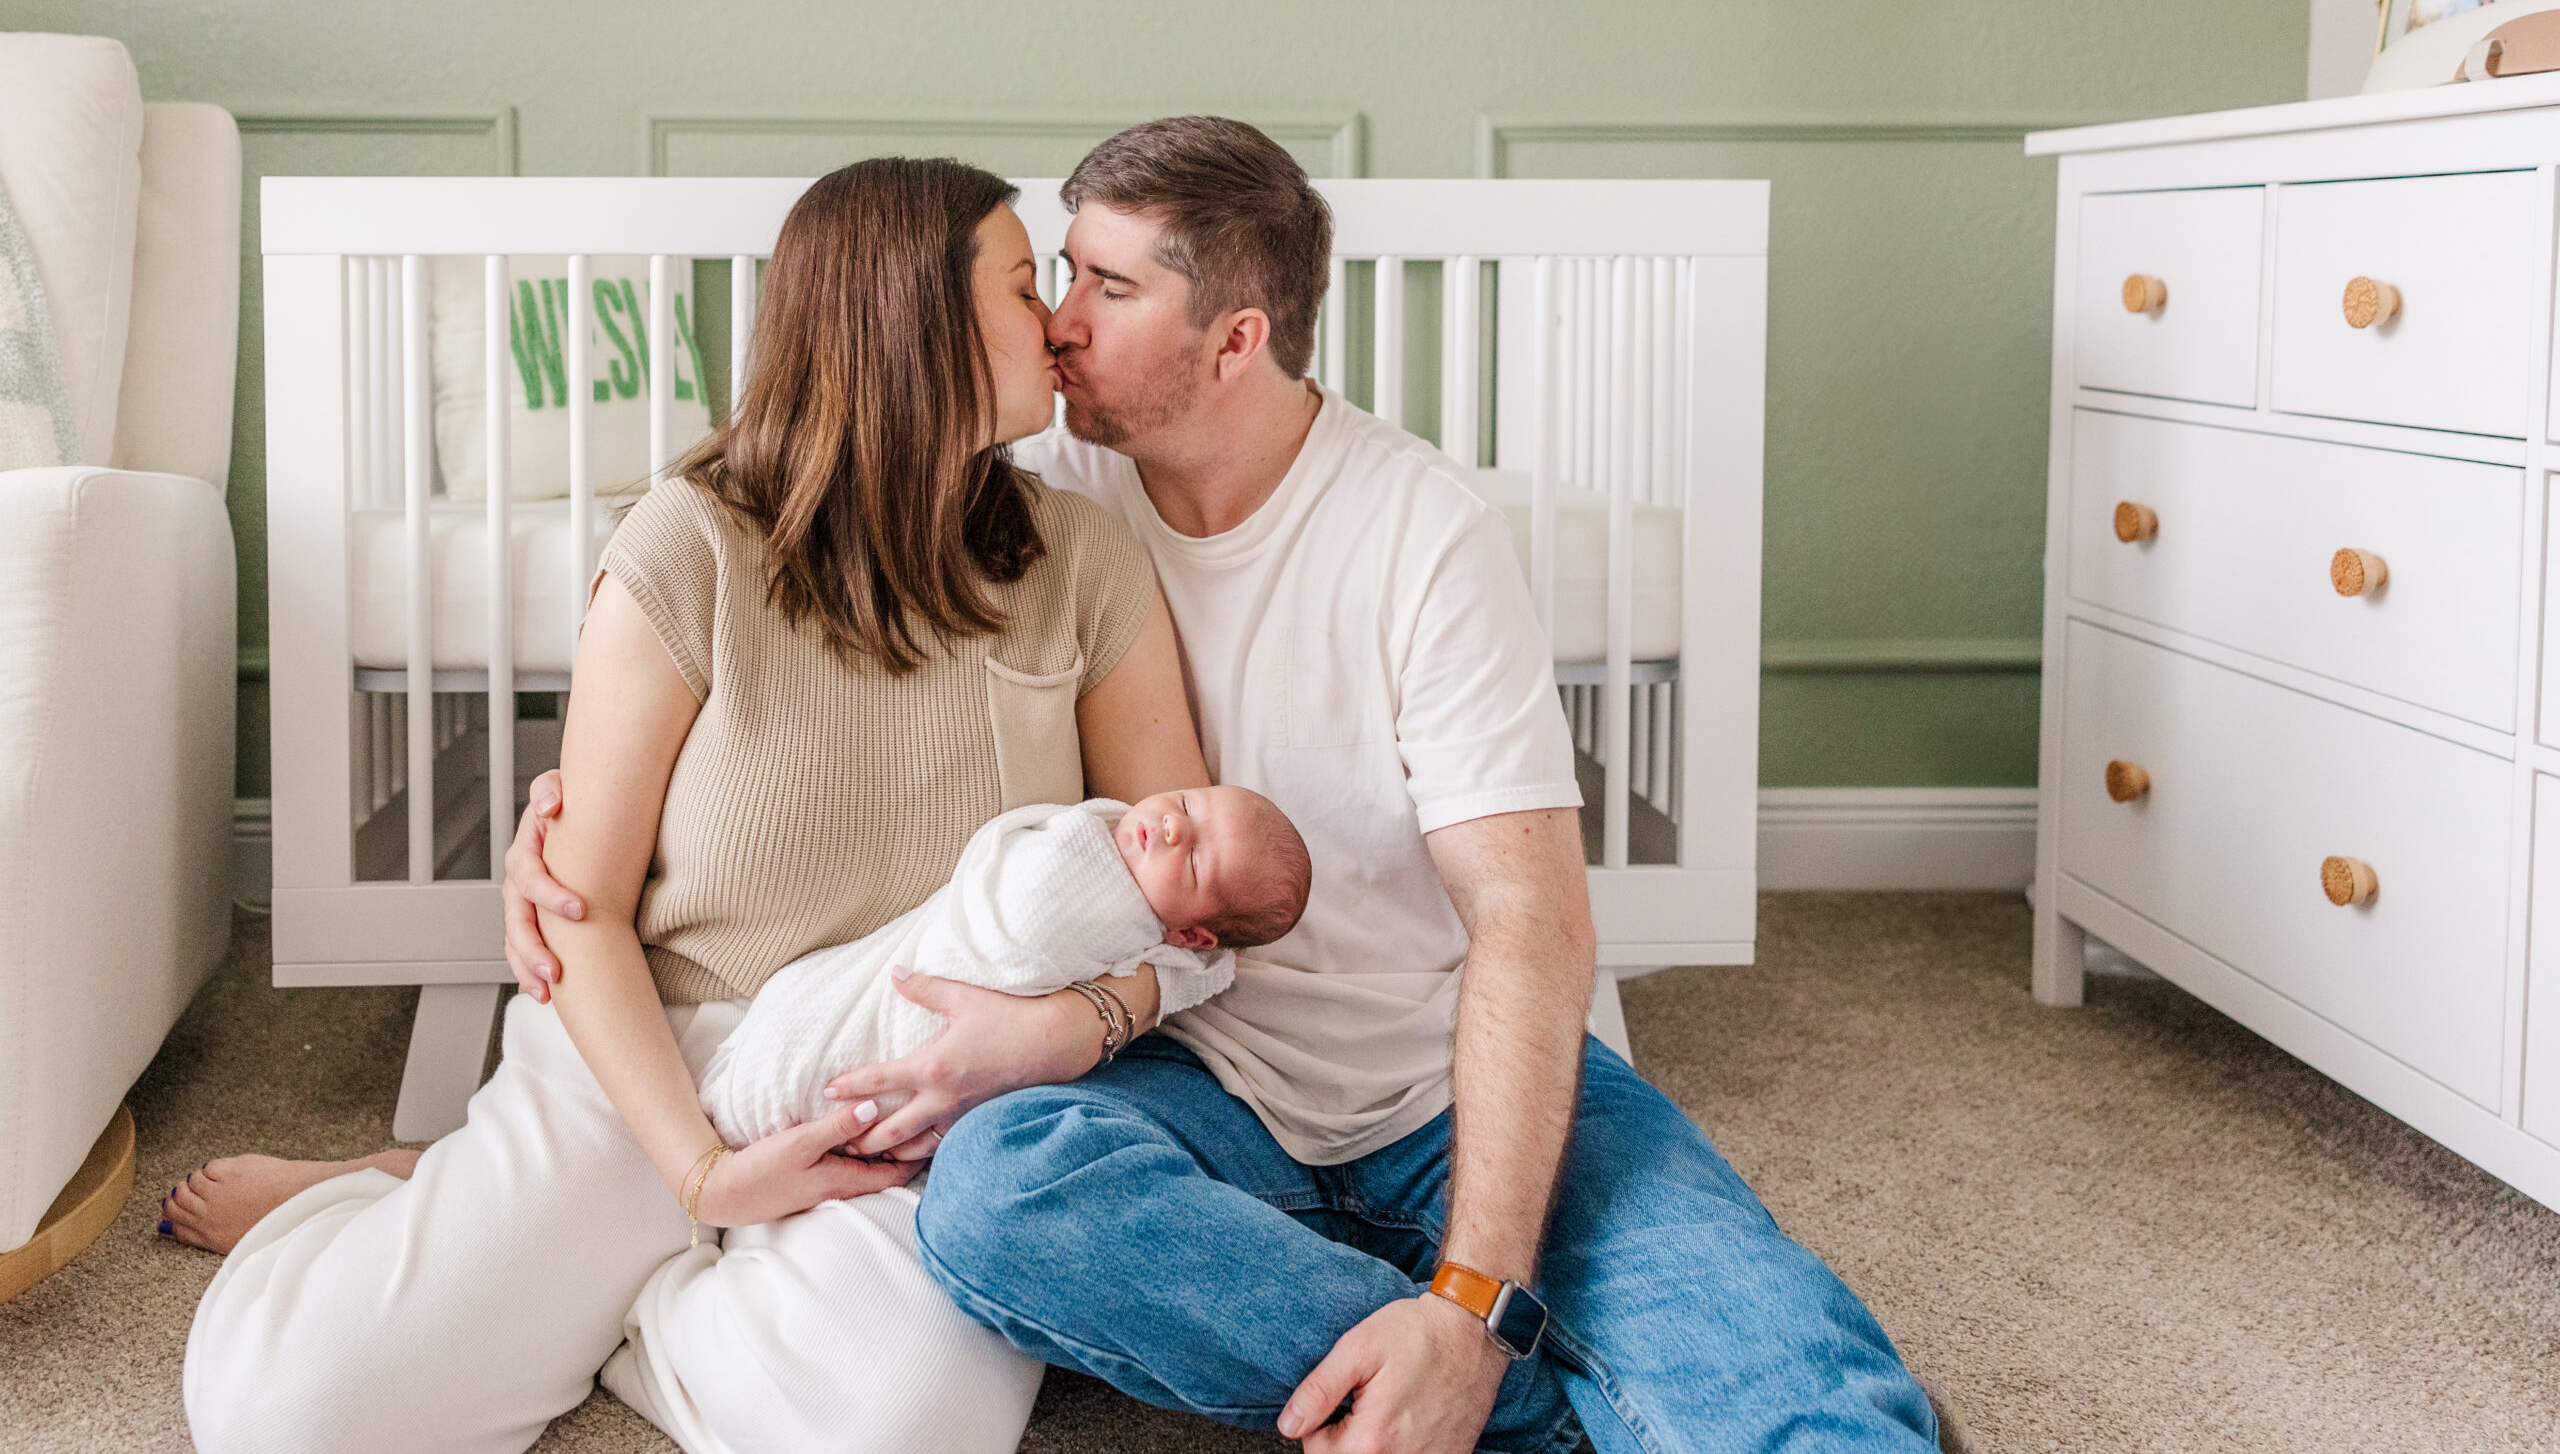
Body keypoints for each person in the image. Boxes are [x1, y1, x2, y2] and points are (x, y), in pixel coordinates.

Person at [506, 116, 1945, 1452]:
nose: (1059, 319)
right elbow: (782, 550)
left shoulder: (1420, 529)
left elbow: (1528, 915)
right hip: (1170, 1078)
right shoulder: (1029, 491)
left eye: (1107, 288)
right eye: (1058, 273)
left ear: (1235, 337)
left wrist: (1476, 1278)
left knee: (1797, 1394)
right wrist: (572, 814)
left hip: (1429, 1083)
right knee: (1004, 1198)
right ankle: (1487, 1387)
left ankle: (1476, 1358)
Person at [169, 158, 1225, 1454]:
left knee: (912, 1428)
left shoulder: (1084, 562)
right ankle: (382, 1211)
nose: (1062, 321)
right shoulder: (691, 540)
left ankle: (628, 1302)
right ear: (912, 321)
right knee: (289, 1417)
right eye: (1026, 286)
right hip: (651, 1057)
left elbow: (1181, 894)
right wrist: (700, 1169)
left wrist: (1063, 1025)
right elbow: (586, 905)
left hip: (902, 1083)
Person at [697, 786, 1311, 1145]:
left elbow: (1025, 929)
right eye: (1185, 802)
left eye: (1198, 861)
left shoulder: (1128, 923)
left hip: (927, 1031)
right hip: (766, 995)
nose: (1174, 827)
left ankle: (760, 1106)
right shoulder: (1090, 840)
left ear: (1193, 934)